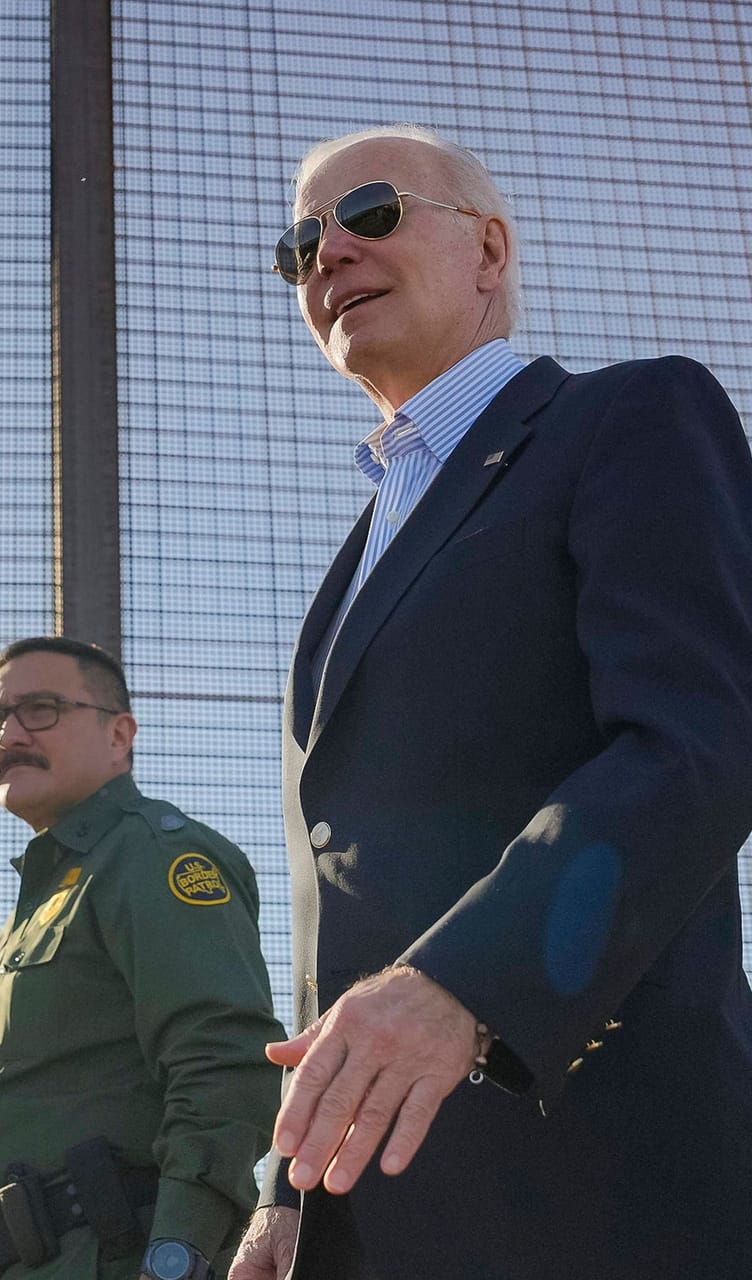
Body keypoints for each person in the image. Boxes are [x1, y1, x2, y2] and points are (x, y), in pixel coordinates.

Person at [232, 124, 752, 1280]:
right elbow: (350, 900)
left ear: (490, 249)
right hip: (377, 1205)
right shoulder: (354, 563)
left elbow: (701, 739)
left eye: (370, 213)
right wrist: (292, 1188)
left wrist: (473, 980)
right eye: (298, 243)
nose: (328, 255)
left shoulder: (630, 418)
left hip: (593, 1183)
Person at [0, 636, 282, 1280]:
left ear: (119, 735)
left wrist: (179, 1256)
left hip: (118, 1255)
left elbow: (226, 1062)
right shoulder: (50, 891)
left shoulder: (151, 855)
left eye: (40, 709)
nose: (8, 734)